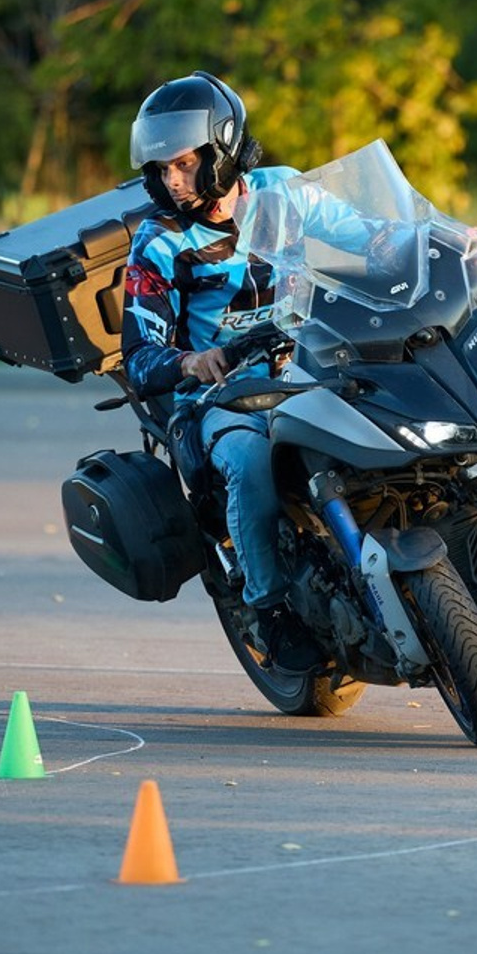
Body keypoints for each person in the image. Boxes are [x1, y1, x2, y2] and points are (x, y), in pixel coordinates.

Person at [121, 70, 334, 672]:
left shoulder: (286, 194)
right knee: (247, 461)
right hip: (218, 397)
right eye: (161, 169)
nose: (171, 180)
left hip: (309, 366)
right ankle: (267, 607)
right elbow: (139, 354)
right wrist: (192, 359)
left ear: (222, 150)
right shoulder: (158, 242)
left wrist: (444, 240)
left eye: (184, 164)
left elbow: (371, 234)